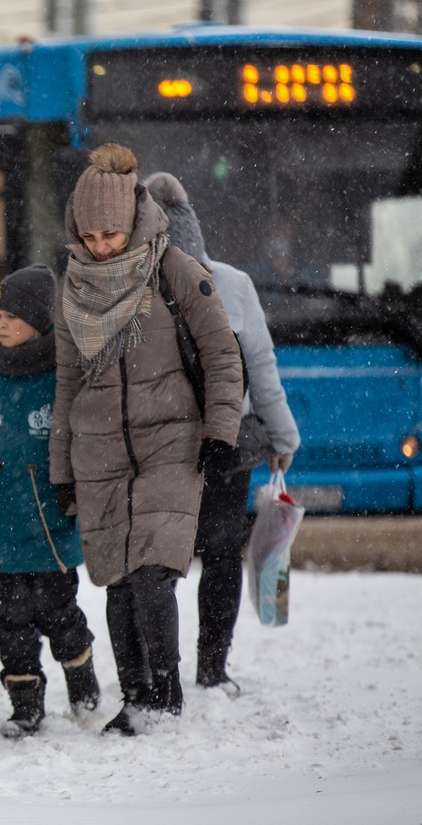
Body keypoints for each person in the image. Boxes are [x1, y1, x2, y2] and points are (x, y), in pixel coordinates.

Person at [48, 144, 243, 736]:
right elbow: (65, 384)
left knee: (152, 572)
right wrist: (61, 469)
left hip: (171, 445)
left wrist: (221, 433)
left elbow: (222, 354)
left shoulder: (175, 268)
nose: (102, 245)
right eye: (91, 235)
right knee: (114, 576)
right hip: (98, 450)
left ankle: (167, 690)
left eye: (111, 233)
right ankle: (134, 696)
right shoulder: (72, 287)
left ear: (133, 220)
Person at [144, 172, 302, 692]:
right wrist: (282, 435)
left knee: (159, 560)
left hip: (163, 447)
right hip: (228, 443)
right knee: (218, 555)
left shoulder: (141, 286)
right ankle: (212, 667)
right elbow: (261, 367)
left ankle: (159, 671)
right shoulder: (232, 284)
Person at [0, 264, 100, 738]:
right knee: (9, 622)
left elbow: (83, 440)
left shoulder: (63, 373)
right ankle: (26, 707)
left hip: (50, 522)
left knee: (59, 613)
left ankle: (82, 680)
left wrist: (79, 492)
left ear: (40, 321)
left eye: (15, 316)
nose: (3, 324)